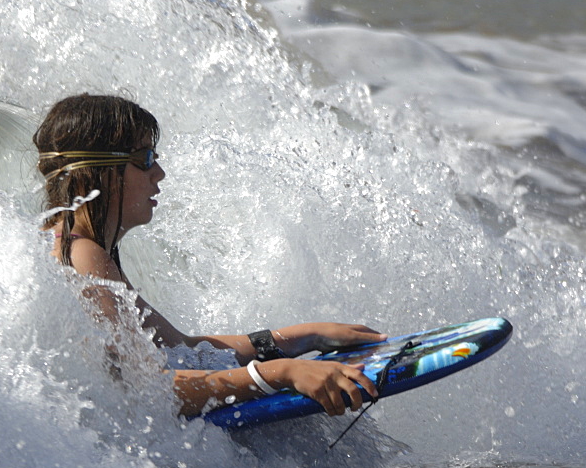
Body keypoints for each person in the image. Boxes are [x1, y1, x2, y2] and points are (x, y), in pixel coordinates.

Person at [35, 94, 386, 417]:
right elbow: (149, 387)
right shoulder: (78, 255)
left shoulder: (80, 246)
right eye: (144, 159)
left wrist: (301, 337)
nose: (159, 173)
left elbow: (182, 349)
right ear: (92, 174)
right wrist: (281, 373)